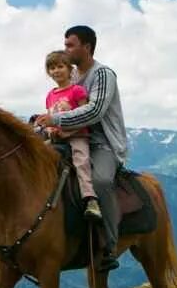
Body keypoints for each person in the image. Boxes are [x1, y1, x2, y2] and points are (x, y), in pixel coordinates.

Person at [35, 25, 126, 274]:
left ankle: (109, 246)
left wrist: (56, 121)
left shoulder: (104, 75)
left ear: (86, 47)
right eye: (65, 45)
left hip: (102, 143)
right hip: (66, 138)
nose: (66, 49)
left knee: (102, 181)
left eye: (70, 45)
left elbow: (95, 110)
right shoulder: (69, 78)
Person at [41, 49, 101, 220]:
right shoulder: (50, 95)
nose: (56, 71)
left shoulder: (77, 91)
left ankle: (90, 199)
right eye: (52, 68)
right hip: (56, 138)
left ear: (70, 69)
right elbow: (51, 116)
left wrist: (69, 131)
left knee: (81, 162)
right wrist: (49, 128)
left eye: (60, 66)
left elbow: (85, 116)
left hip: (77, 136)